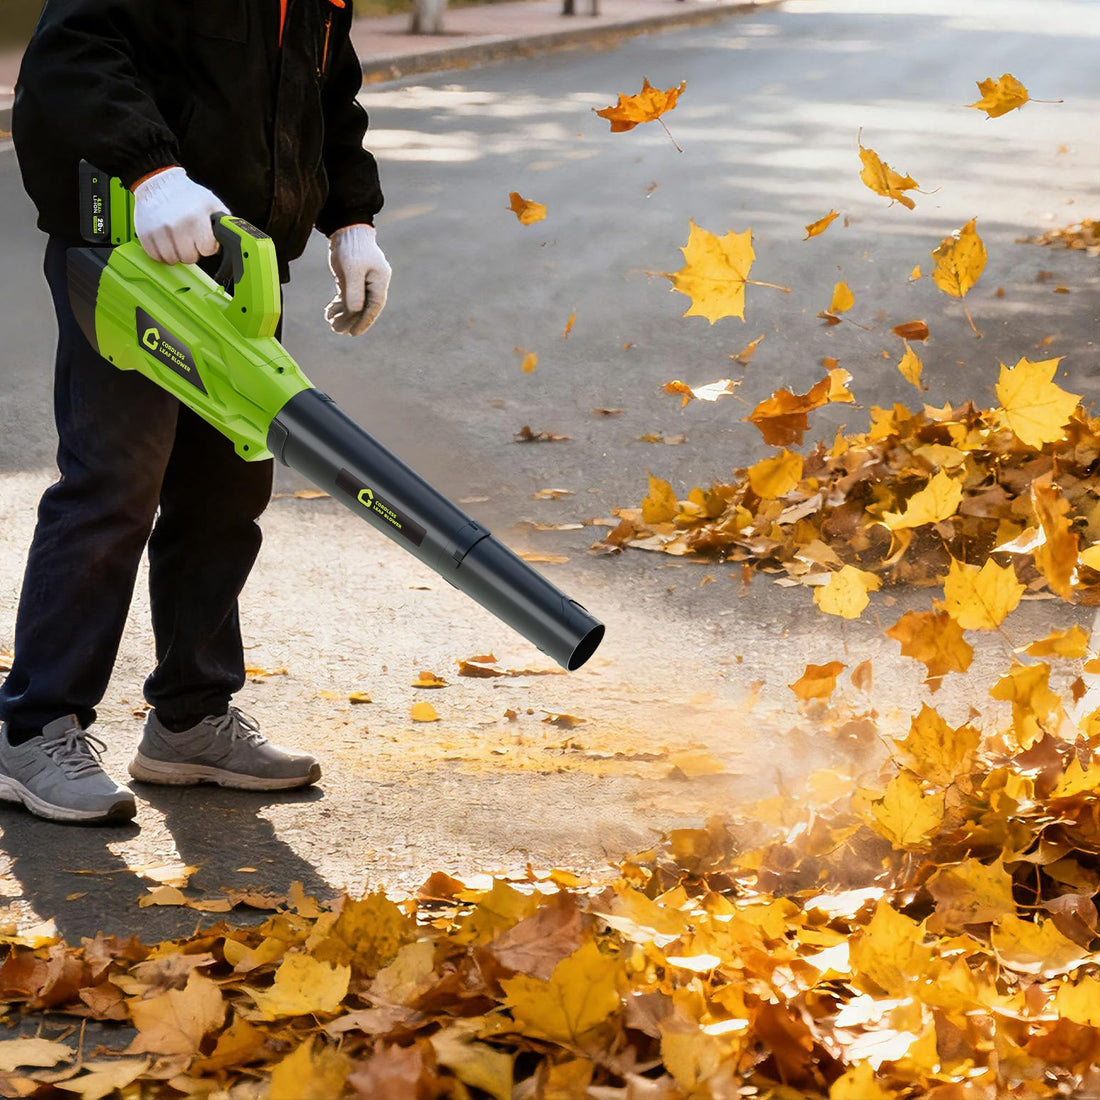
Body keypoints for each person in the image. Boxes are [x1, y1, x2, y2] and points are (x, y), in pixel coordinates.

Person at [0, 0, 392, 824]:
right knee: (115, 484)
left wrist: (352, 219)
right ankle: (34, 727)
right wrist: (151, 171)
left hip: (240, 260)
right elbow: (71, 51)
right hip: (130, 249)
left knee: (227, 491)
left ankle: (190, 717)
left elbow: (328, 99)